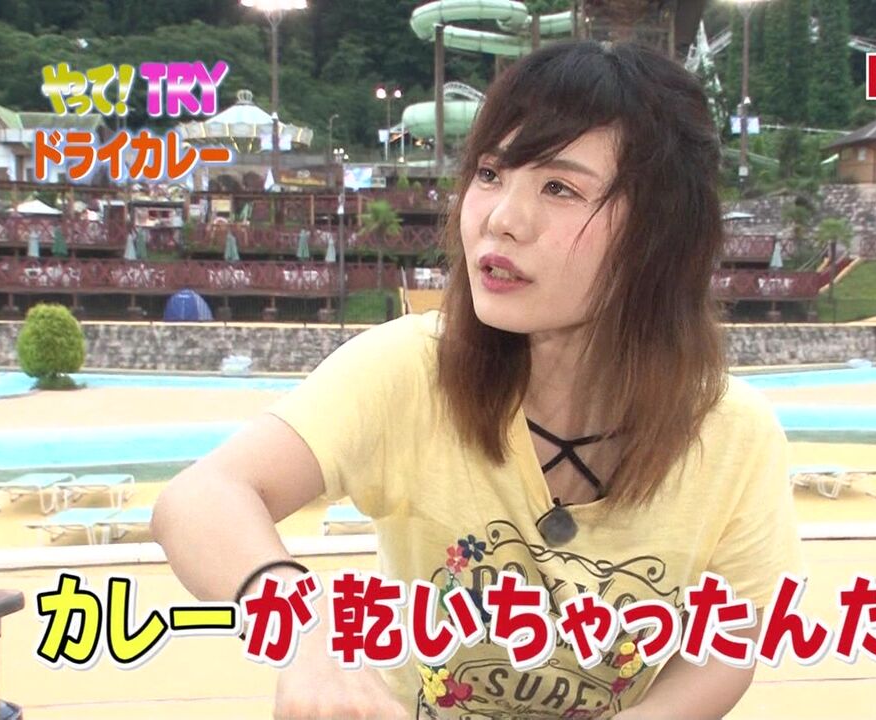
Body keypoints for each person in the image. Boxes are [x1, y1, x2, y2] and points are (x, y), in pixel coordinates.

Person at [152, 40, 803, 720]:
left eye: (559, 188)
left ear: (660, 231)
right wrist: (306, 635)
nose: (500, 218)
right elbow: (200, 497)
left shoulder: (732, 432)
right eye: (490, 173)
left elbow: (728, 641)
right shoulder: (408, 370)